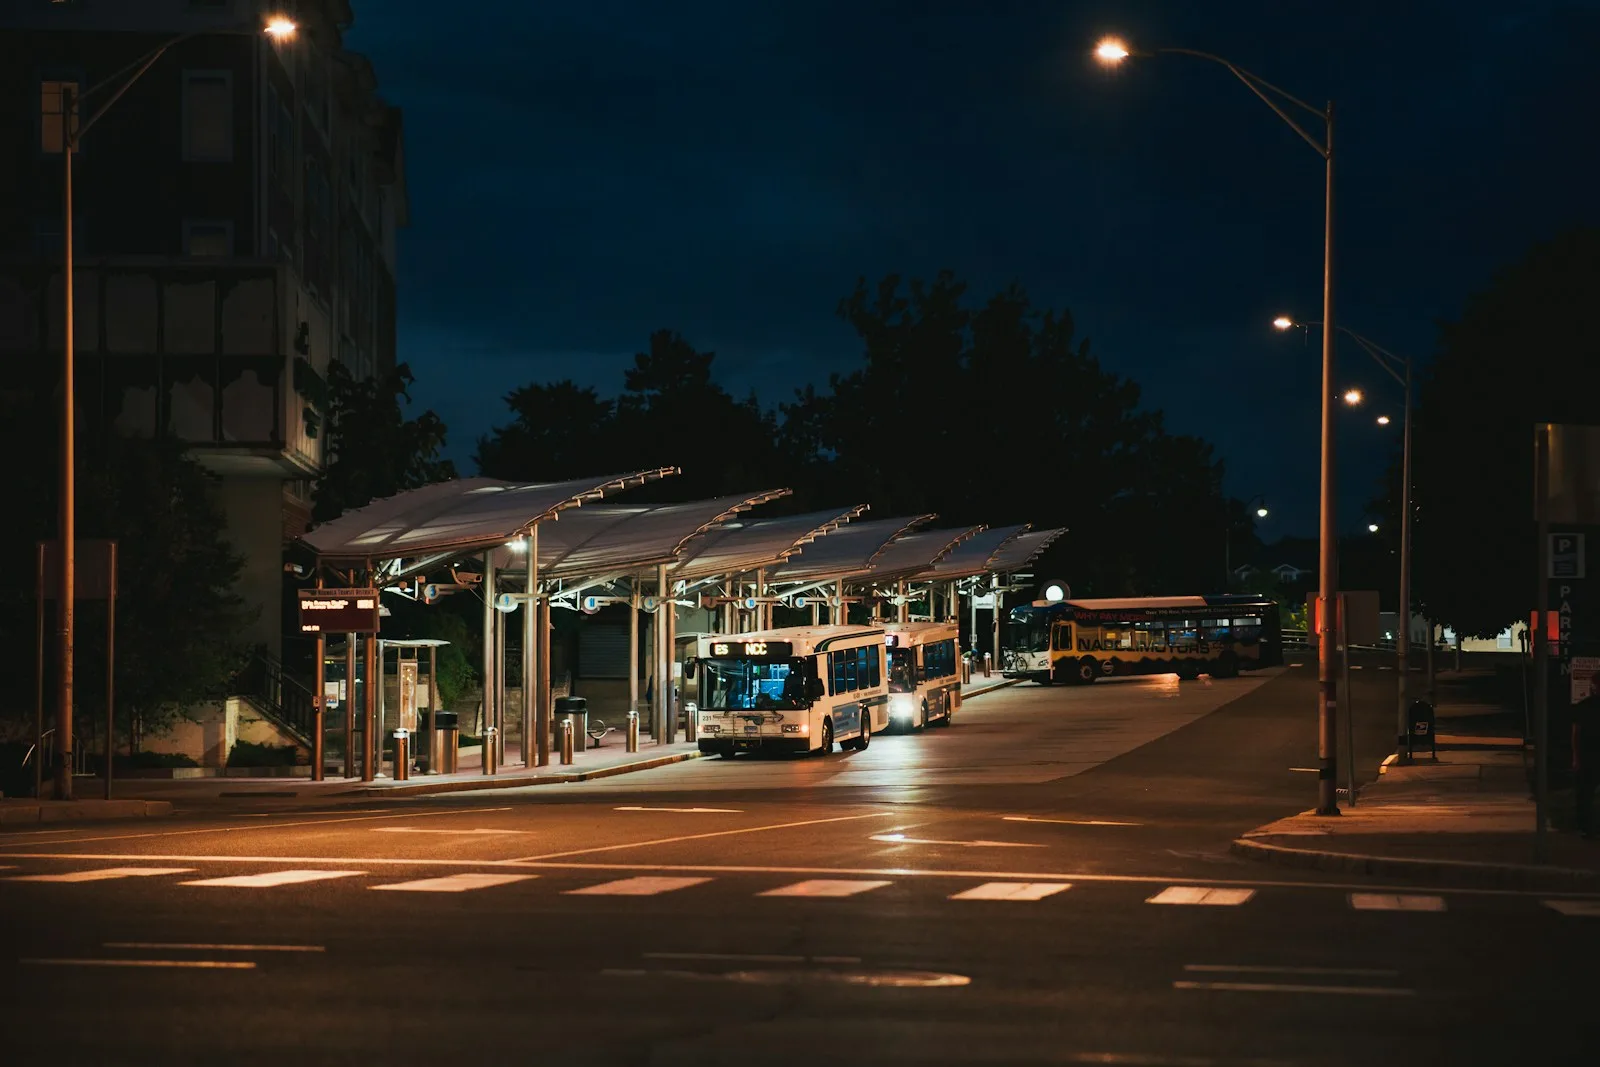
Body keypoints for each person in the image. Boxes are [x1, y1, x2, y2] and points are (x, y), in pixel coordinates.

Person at [1574, 683, 1600, 839]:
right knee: (1585, 793)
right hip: (1588, 754)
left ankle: (1586, 826)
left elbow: (1576, 733)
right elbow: (1576, 733)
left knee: (1585, 793)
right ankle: (1586, 827)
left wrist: (1576, 756)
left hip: (1587, 754)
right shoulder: (1584, 707)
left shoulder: (1583, 706)